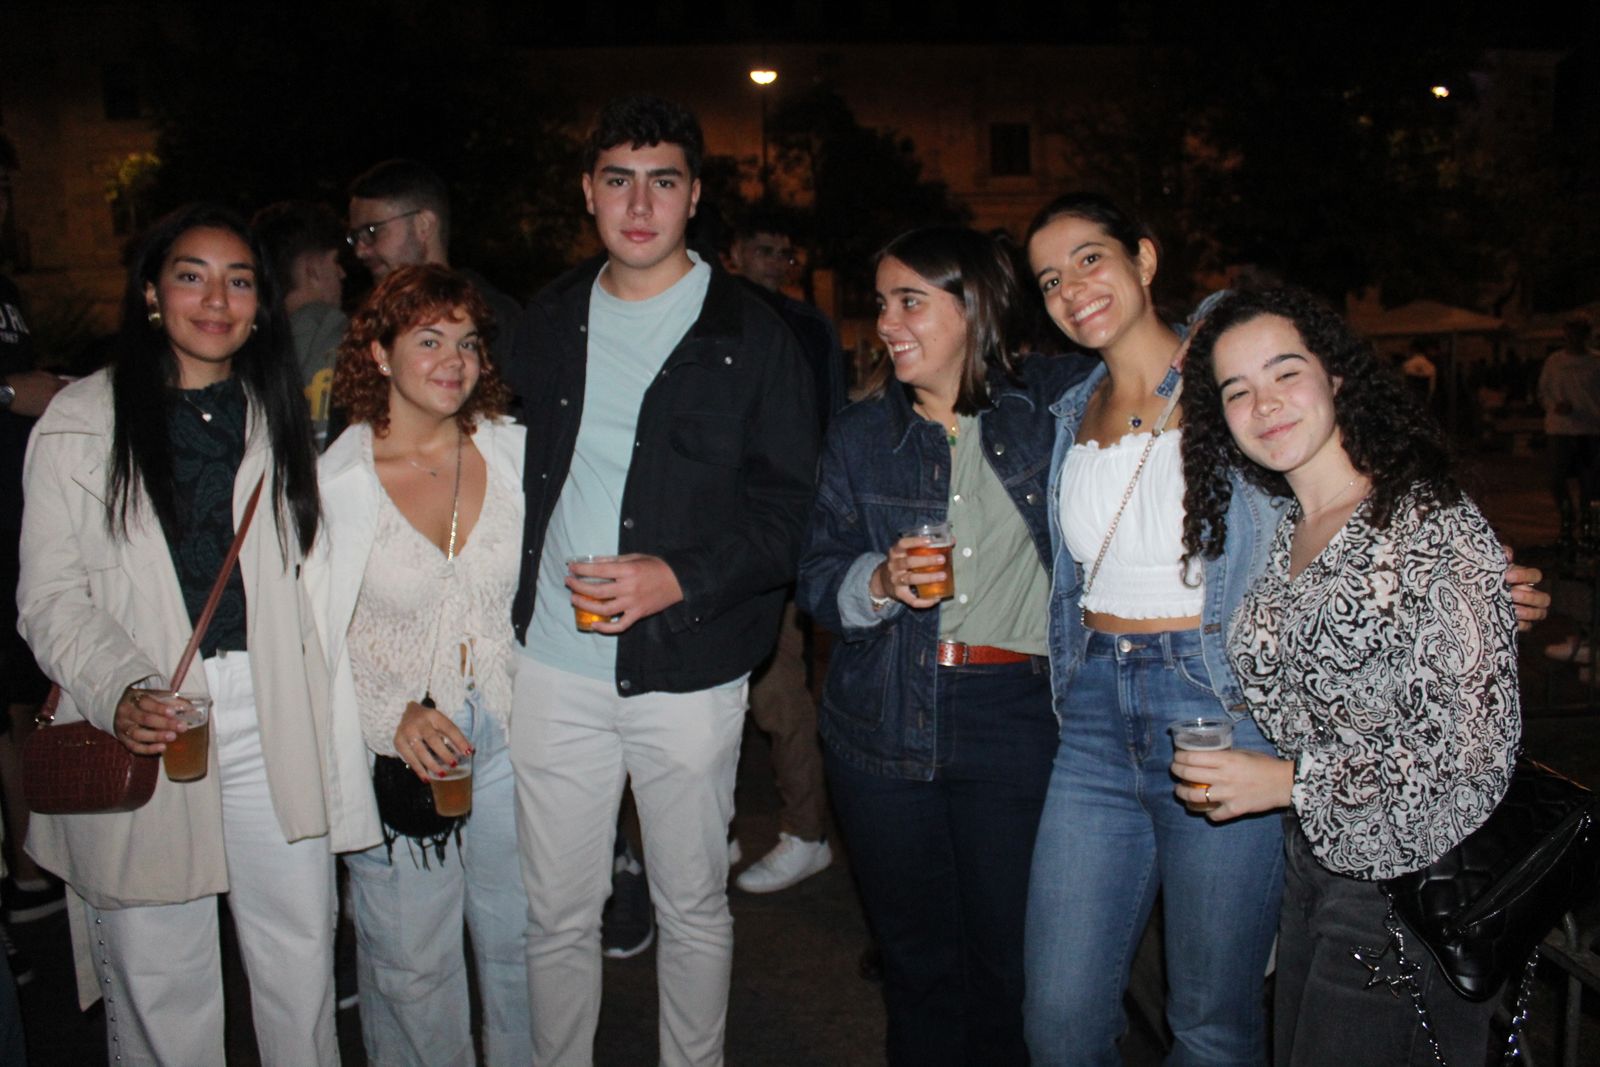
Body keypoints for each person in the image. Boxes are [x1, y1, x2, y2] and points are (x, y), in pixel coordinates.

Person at [1019, 193, 1548, 1066]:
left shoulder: (1233, 376)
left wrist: (1487, 585)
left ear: (1144, 259)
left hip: (1216, 701)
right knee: (1059, 1019)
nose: (1072, 287)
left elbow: (1358, 489)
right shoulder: (1065, 409)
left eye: (1089, 258)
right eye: (1048, 278)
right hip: (1094, 715)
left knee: (1213, 1022)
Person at [505, 94, 819, 1066]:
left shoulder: (754, 331)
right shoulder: (546, 319)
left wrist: (677, 575)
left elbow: (790, 514)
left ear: (693, 197)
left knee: (689, 902)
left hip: (689, 667)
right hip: (552, 665)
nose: (639, 204)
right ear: (587, 192)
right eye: (617, 179)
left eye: (664, 181)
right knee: (556, 912)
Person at [17, 204, 366, 1066]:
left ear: (261, 306)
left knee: (298, 962)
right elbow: (49, 595)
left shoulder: (277, 417)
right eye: (190, 274)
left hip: (271, 709)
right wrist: (120, 688)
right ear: (149, 294)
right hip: (151, 710)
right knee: (162, 974)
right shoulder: (80, 423)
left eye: (239, 280)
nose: (217, 298)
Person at [1174, 286, 1522, 1065]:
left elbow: (1471, 752)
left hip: (1408, 883)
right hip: (1314, 871)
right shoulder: (1285, 533)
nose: (1264, 403)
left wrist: (1290, 781)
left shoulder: (1428, 519)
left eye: (1284, 372)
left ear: (1335, 376)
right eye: (1237, 390)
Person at [798, 226, 1092, 1065]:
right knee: (917, 963)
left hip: (1017, 717)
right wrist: (879, 582)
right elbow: (816, 575)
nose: (888, 322)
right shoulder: (860, 435)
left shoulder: (1051, 410)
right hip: (882, 716)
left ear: (973, 308)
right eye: (883, 302)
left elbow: (1170, 367)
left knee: (1009, 962)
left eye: (911, 301)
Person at [305, 263, 531, 1065]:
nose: (453, 359)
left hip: (510, 735)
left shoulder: (511, 454)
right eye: (428, 339)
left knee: (521, 948)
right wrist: (388, 712)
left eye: (467, 342)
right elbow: (313, 637)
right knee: (412, 968)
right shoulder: (335, 483)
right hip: (398, 751)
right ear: (376, 351)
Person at [725, 206, 848, 894]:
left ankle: (807, 831)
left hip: (774, 532)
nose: (775, 261)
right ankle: (713, 830)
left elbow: (829, 426)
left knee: (778, 688)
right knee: (704, 694)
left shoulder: (807, 326)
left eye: (784, 253)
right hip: (703, 535)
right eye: (762, 248)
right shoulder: (706, 312)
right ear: (733, 253)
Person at [347, 159, 522, 341]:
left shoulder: (492, 322)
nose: (360, 251)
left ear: (423, 226)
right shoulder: (367, 326)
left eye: (372, 231)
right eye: (355, 237)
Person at [251, 199, 348, 447]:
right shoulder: (348, 339)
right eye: (335, 261)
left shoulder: (250, 348)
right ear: (313, 269)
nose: (342, 273)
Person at [1536, 314, 1600, 546]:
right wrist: (1554, 406)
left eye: (1579, 333)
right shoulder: (1554, 361)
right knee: (1556, 478)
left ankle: (1586, 524)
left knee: (1589, 482)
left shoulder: (1595, 362)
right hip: (1560, 429)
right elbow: (1543, 392)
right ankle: (1566, 516)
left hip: (1589, 430)